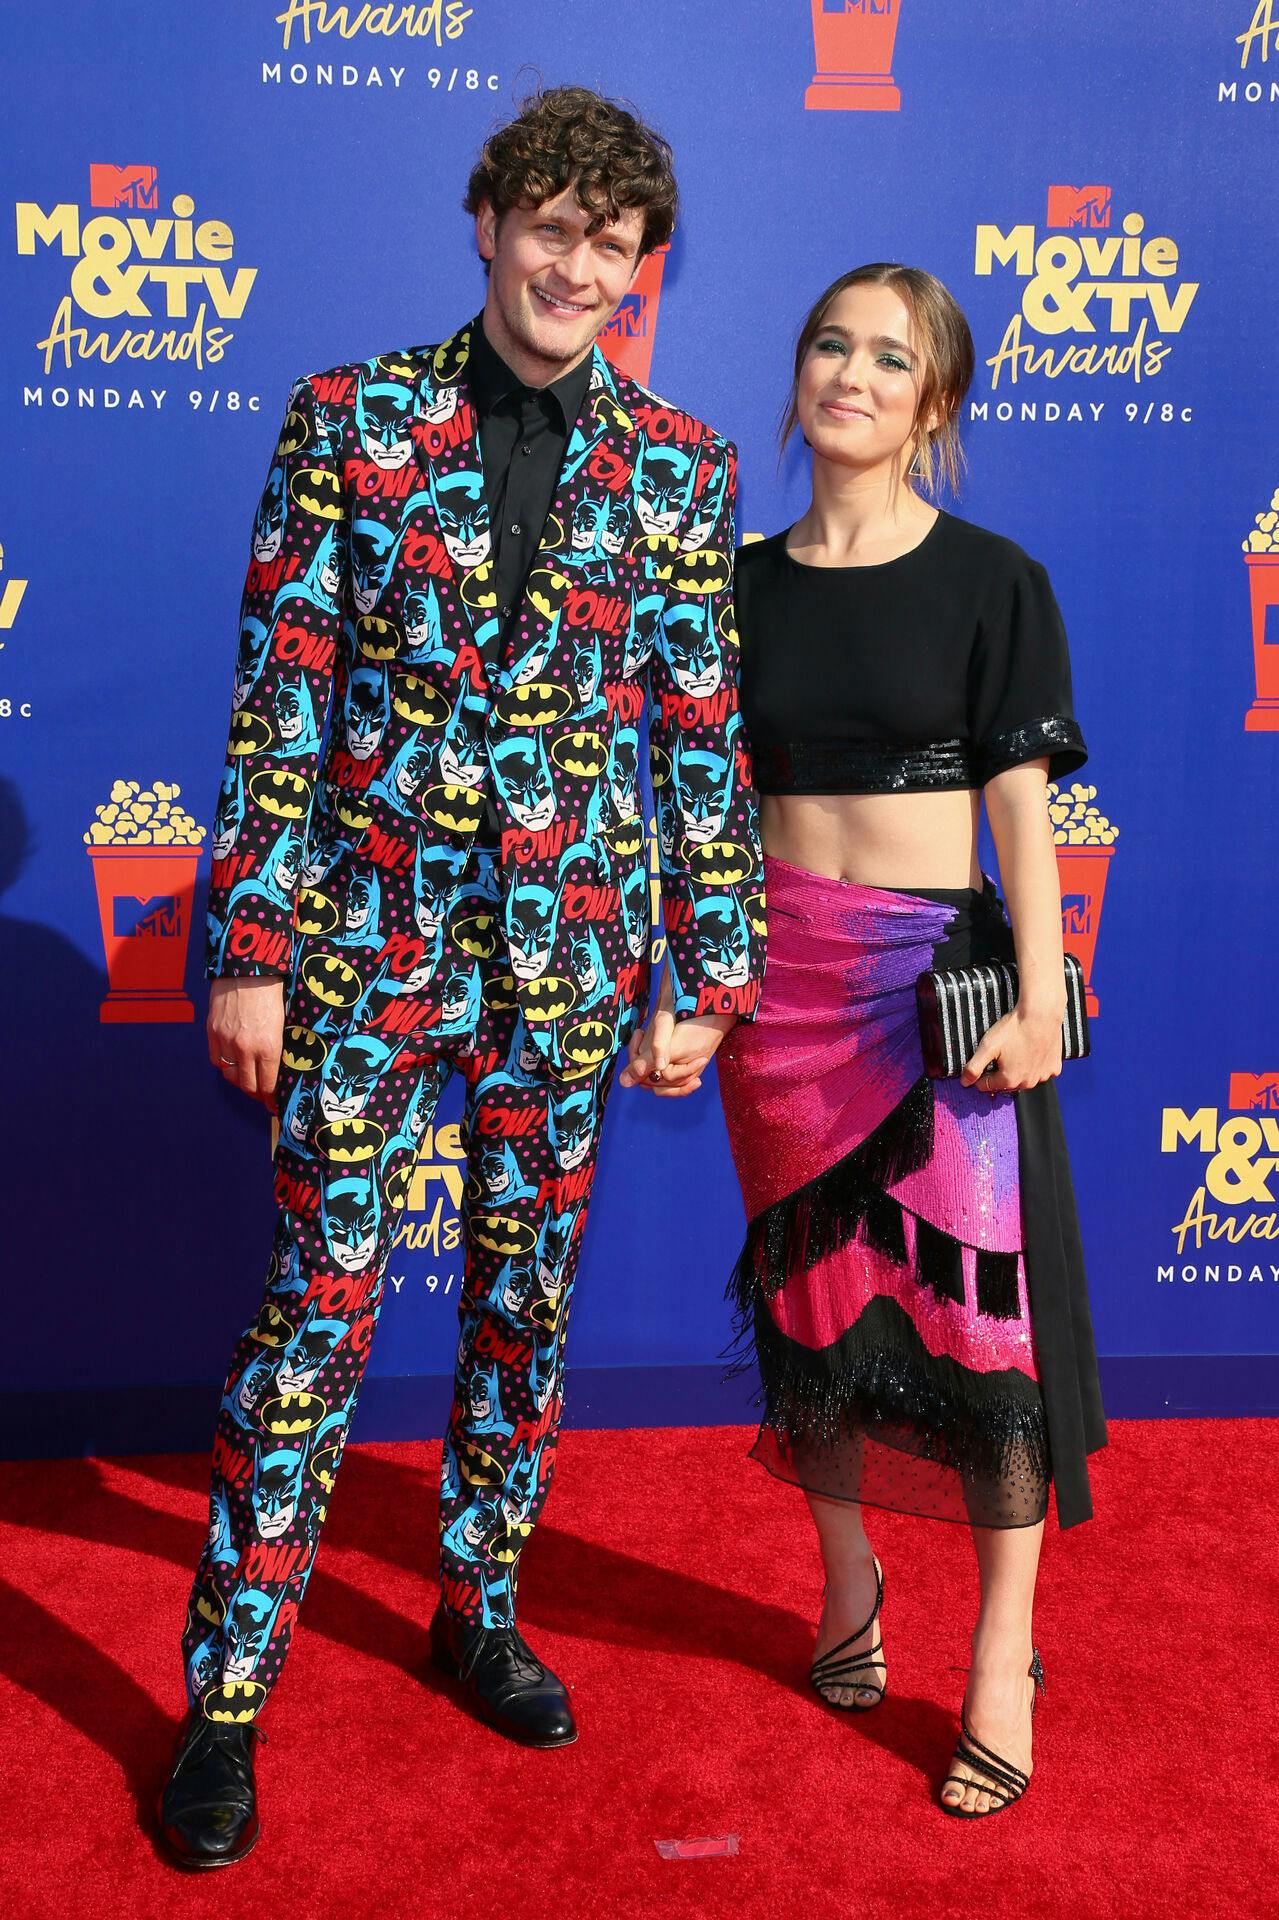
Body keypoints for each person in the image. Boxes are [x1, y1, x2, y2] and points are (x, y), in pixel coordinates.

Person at [159, 85, 764, 1871]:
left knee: (521, 1306)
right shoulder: (346, 422)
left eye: (614, 241)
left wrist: (708, 970)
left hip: (571, 959)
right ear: (491, 221)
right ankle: (229, 1692)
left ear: (642, 267)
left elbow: (700, 737)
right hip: (359, 948)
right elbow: (281, 705)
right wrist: (254, 952)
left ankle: (475, 1604)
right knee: (316, 1317)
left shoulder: (681, 466)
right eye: (553, 226)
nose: (580, 265)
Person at [626, 263, 1105, 1818]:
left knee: (983, 1343)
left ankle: (998, 1656)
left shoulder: (994, 579)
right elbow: (694, 813)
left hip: (927, 1002)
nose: (851, 372)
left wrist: (1043, 993)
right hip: (779, 986)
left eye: (890, 358)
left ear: (933, 403)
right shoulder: (735, 582)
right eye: (831, 343)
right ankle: (848, 1589)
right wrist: (691, 982)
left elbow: (1024, 817)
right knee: (811, 1314)